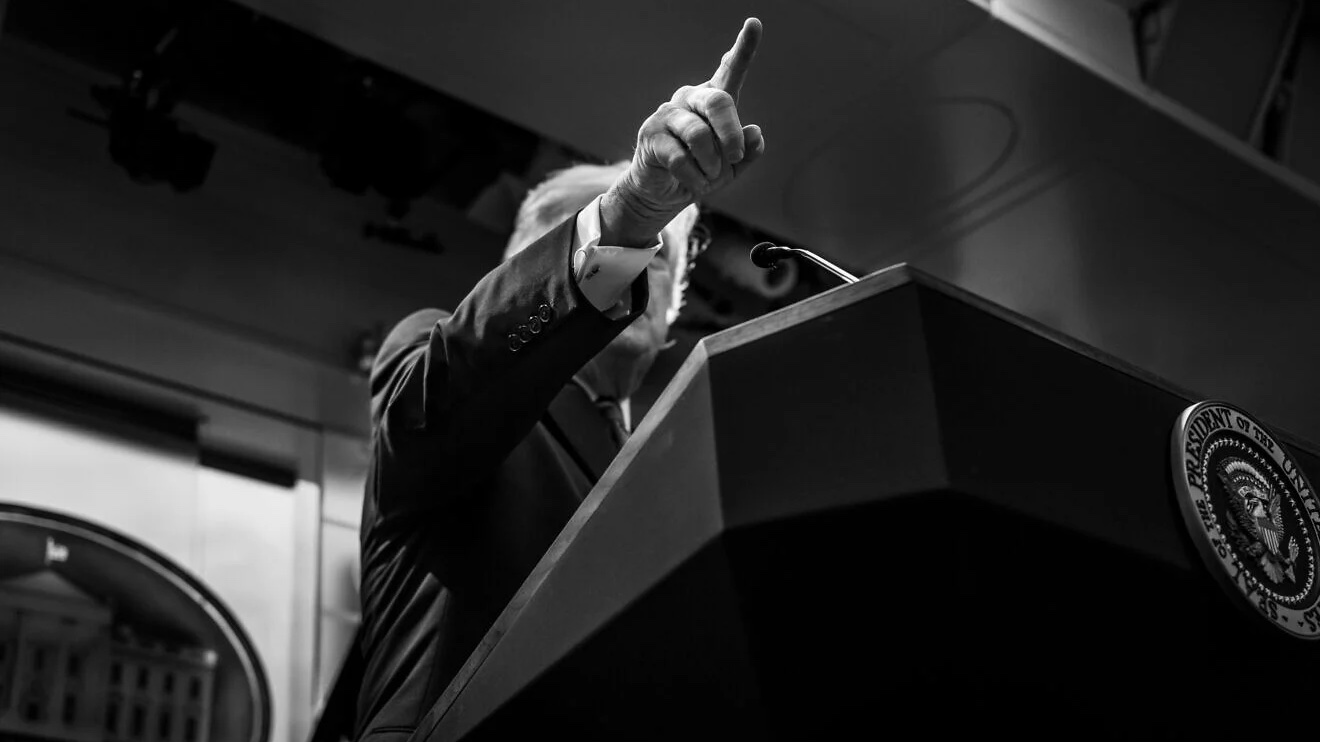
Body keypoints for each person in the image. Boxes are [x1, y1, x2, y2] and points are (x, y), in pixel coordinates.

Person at [353, 18, 766, 741]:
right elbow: (455, 392)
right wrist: (632, 212)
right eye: (634, 248)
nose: (646, 262)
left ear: (672, 309)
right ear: (530, 261)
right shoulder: (436, 364)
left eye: (662, 255)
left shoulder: (672, 462)